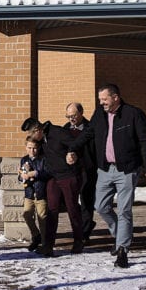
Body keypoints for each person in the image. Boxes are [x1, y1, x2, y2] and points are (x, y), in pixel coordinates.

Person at [66, 84, 146, 269]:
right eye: (100, 100)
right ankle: (120, 235)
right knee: (101, 206)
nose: (101, 103)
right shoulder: (100, 114)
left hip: (127, 170)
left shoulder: (133, 114)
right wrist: (73, 147)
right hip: (105, 170)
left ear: (116, 97)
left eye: (104, 99)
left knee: (124, 210)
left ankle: (122, 249)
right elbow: (88, 133)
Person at [29, 121, 85, 256]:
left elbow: (76, 143)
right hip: (53, 177)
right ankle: (48, 246)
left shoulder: (58, 132)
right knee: (52, 209)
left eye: (31, 133)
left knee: (72, 208)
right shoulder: (42, 140)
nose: (30, 136)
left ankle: (78, 241)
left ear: (38, 130)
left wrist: (72, 152)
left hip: (68, 175)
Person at [64, 102, 97, 242]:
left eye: (74, 116)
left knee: (86, 200)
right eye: (68, 116)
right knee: (69, 200)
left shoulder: (91, 129)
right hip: (71, 172)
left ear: (81, 113)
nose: (71, 119)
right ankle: (86, 224)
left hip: (87, 170)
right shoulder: (65, 129)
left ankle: (85, 231)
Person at [18, 134, 51, 252]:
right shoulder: (24, 159)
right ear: (26, 147)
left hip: (41, 193)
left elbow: (48, 173)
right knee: (27, 215)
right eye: (30, 148)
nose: (32, 150)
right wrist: (23, 176)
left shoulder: (43, 159)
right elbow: (20, 177)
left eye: (35, 148)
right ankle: (36, 236)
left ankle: (44, 243)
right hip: (29, 193)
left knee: (42, 218)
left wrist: (35, 174)